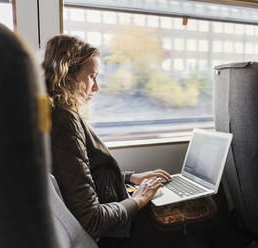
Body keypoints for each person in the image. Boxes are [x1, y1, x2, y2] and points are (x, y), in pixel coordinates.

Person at [42, 34, 171, 247]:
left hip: (112, 218)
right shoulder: (65, 121)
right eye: (92, 76)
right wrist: (137, 200)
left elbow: (76, 175)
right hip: (110, 235)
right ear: (68, 74)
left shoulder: (52, 113)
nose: (96, 87)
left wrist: (130, 178)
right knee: (187, 219)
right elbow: (92, 219)